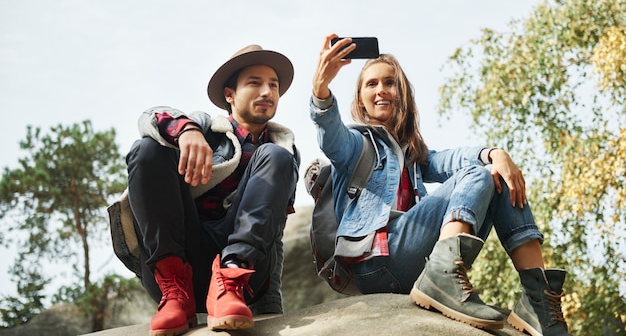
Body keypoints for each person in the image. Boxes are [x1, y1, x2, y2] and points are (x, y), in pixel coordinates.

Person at [309, 34, 570, 335]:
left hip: (410, 263)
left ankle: (538, 301)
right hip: (376, 261)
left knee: (496, 175)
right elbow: (331, 136)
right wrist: (321, 91)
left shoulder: (413, 157)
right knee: (481, 174)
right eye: (372, 84)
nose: (381, 90)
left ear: (402, 93)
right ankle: (443, 274)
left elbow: (451, 159)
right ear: (361, 100)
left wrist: (495, 154)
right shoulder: (356, 145)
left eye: (390, 82)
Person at [126, 44, 299, 335]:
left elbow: (274, 235)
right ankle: (175, 292)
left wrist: (270, 306)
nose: (267, 92)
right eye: (254, 83)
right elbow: (149, 117)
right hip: (183, 255)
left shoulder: (283, 150)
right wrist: (187, 131)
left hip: (243, 272)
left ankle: (230, 280)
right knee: (146, 149)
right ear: (229, 95)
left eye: (273, 85)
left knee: (276, 155)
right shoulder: (203, 126)